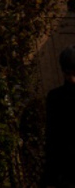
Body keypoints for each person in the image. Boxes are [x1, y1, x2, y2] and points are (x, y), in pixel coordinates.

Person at [44, 45, 75, 188]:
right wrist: (49, 178)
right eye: (69, 74)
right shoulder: (56, 98)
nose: (72, 79)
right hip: (66, 172)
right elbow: (52, 139)